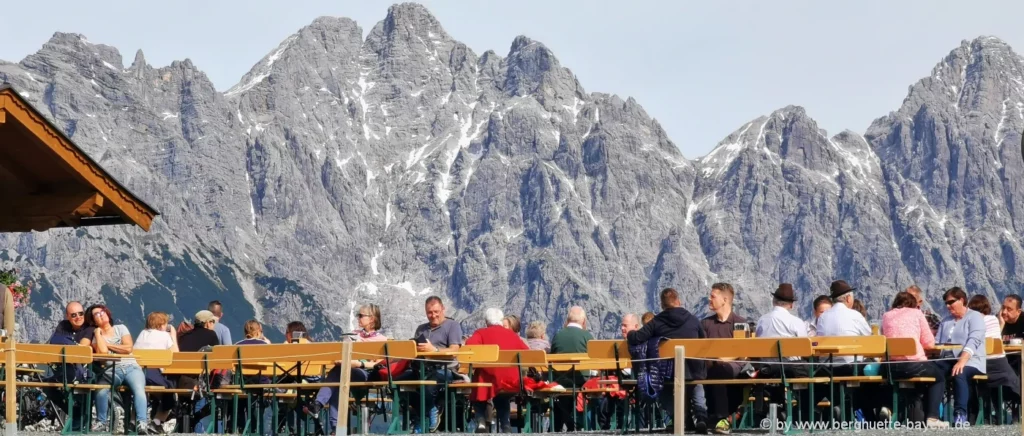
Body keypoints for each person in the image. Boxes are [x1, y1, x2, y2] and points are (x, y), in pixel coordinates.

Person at [627, 288, 708, 433]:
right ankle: (700, 416)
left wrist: (631, 332)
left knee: (662, 385)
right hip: (693, 371)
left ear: (662, 305)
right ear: (678, 301)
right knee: (697, 382)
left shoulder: (657, 322)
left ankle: (677, 416)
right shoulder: (693, 320)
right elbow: (704, 344)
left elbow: (636, 338)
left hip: (669, 373)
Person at [304, 305, 385, 432]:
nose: (359, 318)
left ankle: (320, 408)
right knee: (338, 378)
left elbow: (379, 365)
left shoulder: (381, 339)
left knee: (338, 374)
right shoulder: (353, 334)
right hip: (347, 371)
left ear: (372, 319)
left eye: (361, 315)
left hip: (366, 374)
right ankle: (335, 428)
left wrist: (359, 364)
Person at [880, 292, 947, 428]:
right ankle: (932, 417)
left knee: (905, 384)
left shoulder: (886, 316)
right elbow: (929, 343)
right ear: (914, 304)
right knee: (939, 377)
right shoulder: (917, 313)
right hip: (913, 365)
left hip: (890, 367)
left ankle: (890, 408)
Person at [81, 305, 150, 434]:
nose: (101, 315)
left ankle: (142, 423)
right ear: (93, 321)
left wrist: (107, 344)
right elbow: (103, 355)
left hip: (131, 367)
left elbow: (128, 348)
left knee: (139, 390)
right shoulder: (96, 336)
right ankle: (101, 422)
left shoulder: (121, 328)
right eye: (96, 314)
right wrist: (97, 333)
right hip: (111, 370)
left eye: (102, 312)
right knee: (101, 390)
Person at [403, 296, 463, 433]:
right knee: (397, 383)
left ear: (443, 309)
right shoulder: (421, 329)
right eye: (430, 312)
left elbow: (454, 350)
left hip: (446, 369)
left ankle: (425, 414)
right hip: (422, 369)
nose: (433, 315)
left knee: (428, 386)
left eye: (436, 311)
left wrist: (434, 350)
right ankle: (429, 409)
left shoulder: (453, 326)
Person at [464, 308, 529, 433]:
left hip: (489, 381)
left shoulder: (481, 333)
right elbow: (526, 353)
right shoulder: (512, 335)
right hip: (510, 382)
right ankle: (505, 425)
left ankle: (481, 422)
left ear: (486, 322)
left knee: (479, 379)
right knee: (502, 398)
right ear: (500, 320)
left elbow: (469, 347)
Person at [935, 287, 986, 426]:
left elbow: (974, 339)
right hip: (947, 359)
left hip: (972, 360)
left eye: (951, 302)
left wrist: (962, 360)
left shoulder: (975, 317)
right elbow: (937, 343)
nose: (948, 306)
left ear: (962, 300)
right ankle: (932, 415)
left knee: (960, 372)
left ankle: (960, 414)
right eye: (946, 303)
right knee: (932, 371)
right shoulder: (945, 321)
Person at [701, 283, 746, 434]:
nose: (709, 299)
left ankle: (720, 417)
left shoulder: (739, 323)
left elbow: (743, 352)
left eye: (713, 296)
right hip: (711, 366)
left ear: (725, 299)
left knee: (720, 369)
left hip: (732, 366)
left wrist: (724, 358)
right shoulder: (706, 323)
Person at [967, 295, 1020, 405]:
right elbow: (992, 343)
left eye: (1009, 309)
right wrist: (1000, 325)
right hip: (1000, 363)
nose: (1004, 312)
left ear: (1018, 311)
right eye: (1003, 308)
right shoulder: (995, 320)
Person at [549, 306, 594, 432]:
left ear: (567, 320)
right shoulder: (587, 336)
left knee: (563, 397)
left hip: (560, 380)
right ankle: (578, 425)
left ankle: (563, 425)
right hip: (581, 380)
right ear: (584, 321)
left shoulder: (558, 335)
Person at [134, 311, 179, 432]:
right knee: (171, 391)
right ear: (161, 325)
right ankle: (157, 422)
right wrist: (173, 336)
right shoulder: (165, 336)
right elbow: (176, 356)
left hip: (137, 373)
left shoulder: (142, 333)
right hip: (152, 373)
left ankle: (133, 421)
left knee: (143, 392)